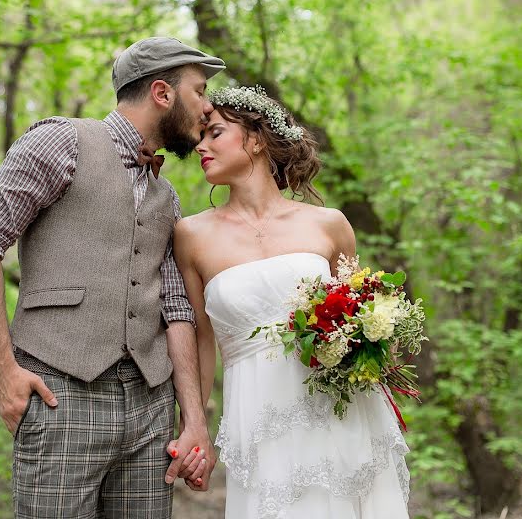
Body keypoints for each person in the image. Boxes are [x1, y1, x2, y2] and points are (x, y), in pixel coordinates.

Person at [0, 37, 225, 518]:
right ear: (162, 93)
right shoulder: (59, 142)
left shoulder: (167, 196)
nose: (207, 108)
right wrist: (4, 375)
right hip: (61, 397)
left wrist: (193, 420)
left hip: (149, 410)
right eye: (199, 91)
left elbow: (177, 311)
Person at [173, 86, 411, 518]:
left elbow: (361, 313)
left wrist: (372, 340)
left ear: (257, 139)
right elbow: (200, 339)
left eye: (215, 133)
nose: (201, 146)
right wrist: (196, 427)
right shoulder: (191, 236)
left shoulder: (330, 225)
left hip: (338, 410)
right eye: (200, 138)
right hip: (259, 419)